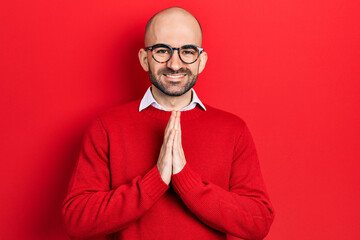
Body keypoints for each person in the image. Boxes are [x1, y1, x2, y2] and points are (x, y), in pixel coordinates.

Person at [62, 7, 274, 240]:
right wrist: (155, 181)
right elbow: (77, 220)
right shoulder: (106, 127)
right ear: (144, 59)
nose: (174, 64)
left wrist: (185, 180)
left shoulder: (233, 130)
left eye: (188, 51)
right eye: (162, 51)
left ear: (201, 61)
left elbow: (258, 222)